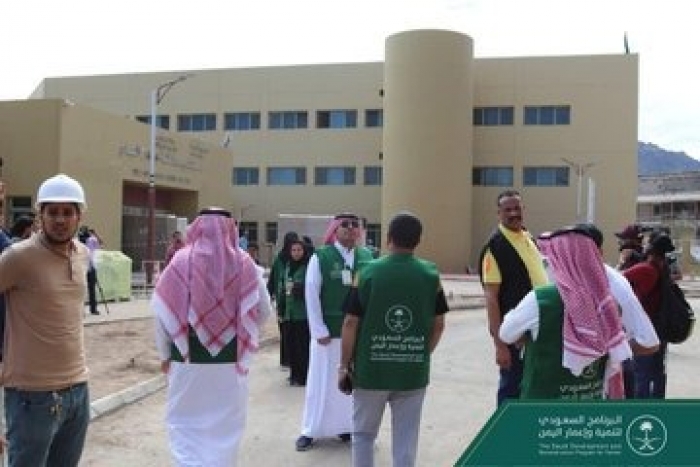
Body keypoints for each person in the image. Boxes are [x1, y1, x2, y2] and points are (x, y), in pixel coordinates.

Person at [152, 207, 271, 466]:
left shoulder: (181, 261)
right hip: (230, 362)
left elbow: (161, 312)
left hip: (186, 360)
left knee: (185, 423)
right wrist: (241, 336)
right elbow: (263, 310)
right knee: (225, 428)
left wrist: (164, 354)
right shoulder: (245, 263)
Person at [339, 212, 448, 467]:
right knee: (405, 441)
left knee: (363, 436)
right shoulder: (431, 275)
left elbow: (350, 322)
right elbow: (439, 325)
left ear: (388, 238)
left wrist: (344, 366)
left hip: (370, 371)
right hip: (412, 374)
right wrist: (419, 354)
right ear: (418, 240)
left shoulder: (367, 272)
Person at [499, 224, 658, 399]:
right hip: (588, 404)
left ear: (561, 260)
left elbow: (506, 334)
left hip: (543, 406)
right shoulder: (605, 301)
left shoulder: (539, 299)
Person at [0, 173, 92, 466]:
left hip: (78, 390)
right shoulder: (18, 257)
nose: (60, 219)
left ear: (79, 216)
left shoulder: (83, 254)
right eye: (52, 212)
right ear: (40, 215)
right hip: (31, 397)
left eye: (67, 212)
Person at [295, 212, 374, 451]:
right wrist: (318, 329)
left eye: (354, 225)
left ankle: (347, 428)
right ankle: (310, 430)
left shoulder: (367, 256)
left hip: (358, 333)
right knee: (321, 382)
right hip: (328, 334)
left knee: (351, 384)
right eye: (345, 225)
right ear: (335, 229)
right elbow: (311, 292)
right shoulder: (321, 257)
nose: (350, 228)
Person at [479, 189, 548, 406]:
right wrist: (500, 345)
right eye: (507, 210)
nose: (513, 213)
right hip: (515, 335)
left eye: (517, 208)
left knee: (532, 389)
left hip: (536, 331)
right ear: (498, 213)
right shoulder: (495, 247)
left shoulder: (528, 238)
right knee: (511, 389)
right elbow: (491, 297)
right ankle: (504, 427)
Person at [623, 233, 676, 398]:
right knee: (657, 371)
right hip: (661, 326)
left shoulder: (646, 268)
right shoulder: (663, 268)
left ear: (651, 249)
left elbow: (618, 279)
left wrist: (624, 261)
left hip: (646, 327)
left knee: (641, 373)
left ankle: (641, 408)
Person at [283, 236, 314, 386]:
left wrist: (298, 288)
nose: (296, 253)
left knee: (303, 346)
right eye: (293, 250)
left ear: (304, 251)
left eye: (299, 250)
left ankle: (304, 376)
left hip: (303, 314)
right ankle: (294, 374)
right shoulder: (288, 266)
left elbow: (312, 288)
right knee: (291, 346)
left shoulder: (308, 266)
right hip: (290, 314)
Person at [268, 231, 301, 371]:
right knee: (285, 331)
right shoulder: (281, 259)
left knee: (288, 332)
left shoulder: (294, 260)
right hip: (283, 301)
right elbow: (273, 278)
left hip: (291, 302)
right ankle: (286, 360)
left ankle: (290, 360)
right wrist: (270, 294)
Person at [79, 226, 103, 315]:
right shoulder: (89, 239)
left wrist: (95, 234)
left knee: (85, 289)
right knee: (88, 289)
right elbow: (101, 243)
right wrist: (95, 234)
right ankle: (90, 309)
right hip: (85, 267)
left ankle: (89, 309)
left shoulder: (90, 240)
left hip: (87, 267)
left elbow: (100, 243)